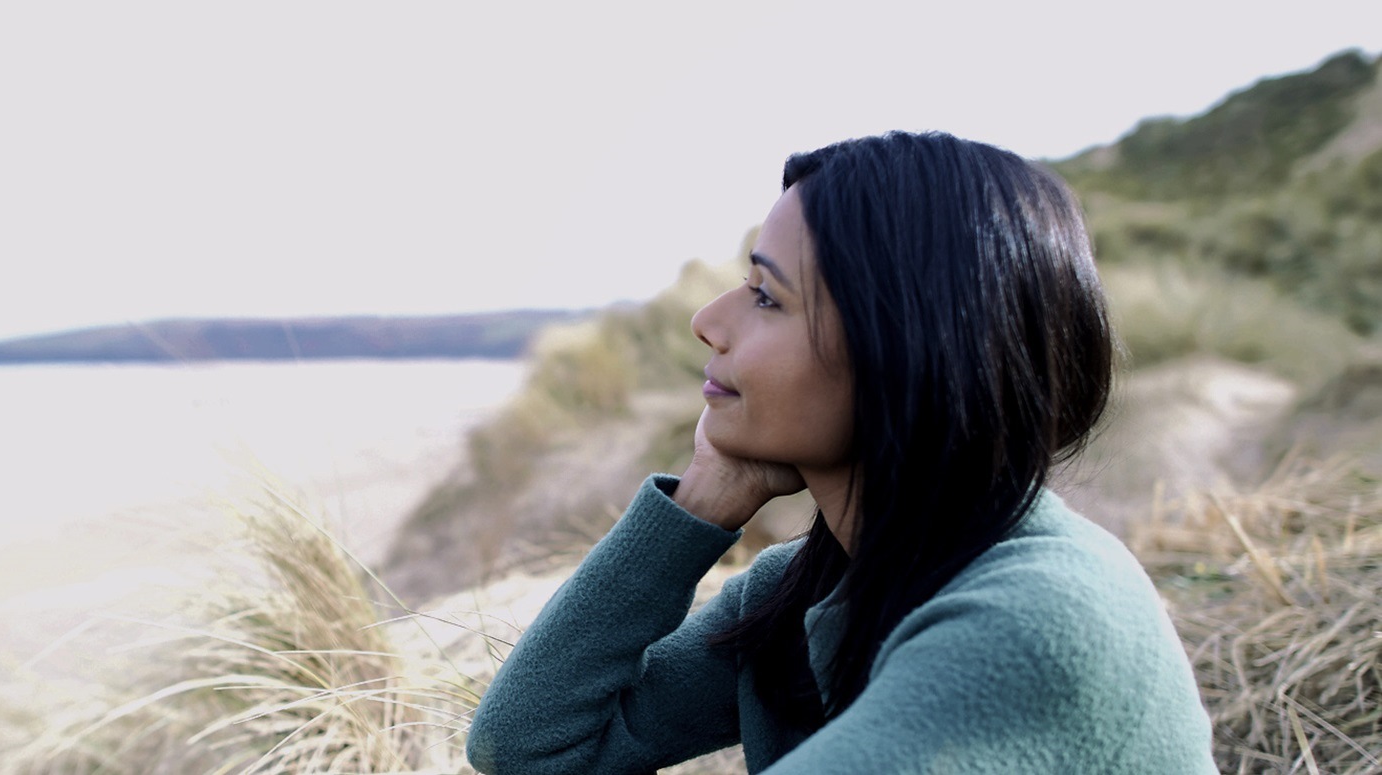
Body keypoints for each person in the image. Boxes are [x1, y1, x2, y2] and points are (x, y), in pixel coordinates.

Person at [464, 132, 1217, 774]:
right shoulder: (813, 590)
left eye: (766, 296)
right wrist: (699, 505)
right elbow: (528, 745)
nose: (707, 321)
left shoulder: (1035, 620)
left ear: (903, 351)